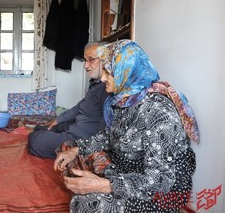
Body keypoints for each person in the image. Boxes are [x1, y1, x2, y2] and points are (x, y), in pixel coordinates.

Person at [54, 39, 199, 212]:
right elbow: (109, 136)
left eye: (109, 72)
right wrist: (75, 150)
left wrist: (103, 185)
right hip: (126, 169)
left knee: (89, 204)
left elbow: (160, 181)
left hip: (160, 192)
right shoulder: (124, 100)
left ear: (127, 72)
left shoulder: (159, 113)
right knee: (68, 148)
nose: (102, 78)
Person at [27, 42, 109, 159]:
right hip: (76, 125)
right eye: (85, 60)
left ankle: (40, 135)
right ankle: (42, 131)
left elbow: (105, 128)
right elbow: (79, 106)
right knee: (49, 127)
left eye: (91, 60)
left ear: (105, 61)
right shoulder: (95, 84)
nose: (86, 65)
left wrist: (86, 148)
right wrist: (58, 119)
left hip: (80, 139)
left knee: (34, 139)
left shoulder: (107, 87)